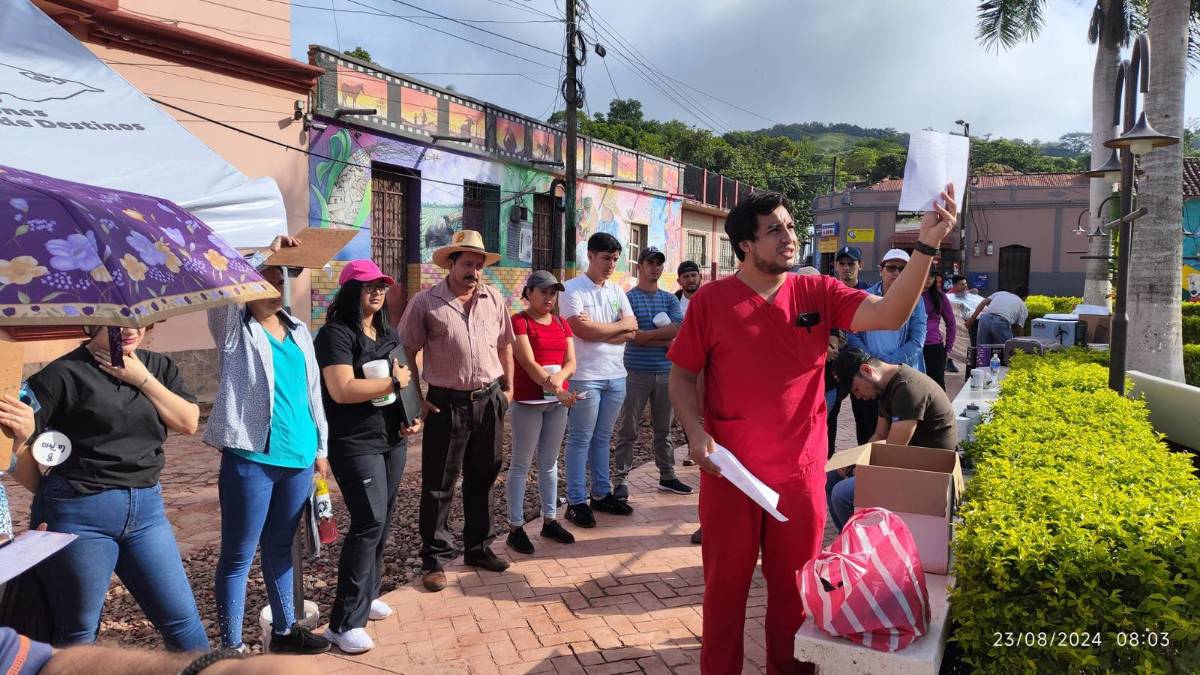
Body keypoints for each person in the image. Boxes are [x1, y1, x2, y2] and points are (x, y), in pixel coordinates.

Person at [668, 185, 955, 674]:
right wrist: (695, 434)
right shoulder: (712, 301)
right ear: (745, 245)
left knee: (795, 593)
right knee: (724, 592)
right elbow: (682, 374)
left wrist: (925, 245)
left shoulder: (815, 292)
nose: (787, 236)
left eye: (790, 226)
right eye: (773, 230)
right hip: (730, 477)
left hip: (799, 479)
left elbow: (889, 312)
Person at [13, 324, 207, 650]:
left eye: (138, 317)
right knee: (78, 635)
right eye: (116, 319)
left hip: (147, 514)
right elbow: (13, 445)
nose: (130, 327)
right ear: (92, 322)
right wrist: (48, 491)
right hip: (78, 516)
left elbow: (188, 422)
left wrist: (141, 379)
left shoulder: (158, 367)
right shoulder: (62, 374)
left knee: (183, 622)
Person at [203, 235, 332, 654]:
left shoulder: (299, 331)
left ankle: (284, 631)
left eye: (282, 278)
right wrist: (260, 254)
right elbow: (221, 296)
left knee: (280, 547)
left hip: (297, 457)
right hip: (251, 458)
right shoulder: (234, 331)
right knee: (239, 554)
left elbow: (313, 393)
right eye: (265, 278)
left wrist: (321, 450)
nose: (276, 286)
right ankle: (232, 645)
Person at [397, 230, 515, 593]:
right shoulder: (425, 303)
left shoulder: (493, 298)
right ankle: (434, 558)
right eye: (467, 264)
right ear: (451, 263)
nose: (475, 272)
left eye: (479, 266)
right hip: (446, 404)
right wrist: (416, 401)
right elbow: (404, 353)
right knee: (439, 485)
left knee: (484, 476)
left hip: (489, 398)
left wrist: (508, 389)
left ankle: (478, 548)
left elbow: (505, 344)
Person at [315, 259, 420, 654]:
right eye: (366, 286)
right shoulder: (335, 335)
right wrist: (393, 381)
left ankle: (366, 595)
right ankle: (342, 624)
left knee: (385, 517)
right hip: (354, 442)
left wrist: (409, 416)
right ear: (348, 291)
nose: (376, 291)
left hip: (391, 438)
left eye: (381, 285)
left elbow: (405, 379)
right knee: (368, 522)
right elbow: (341, 389)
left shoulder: (385, 330)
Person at [826, 349, 958, 531]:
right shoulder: (887, 387)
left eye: (855, 389)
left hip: (928, 473)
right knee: (832, 476)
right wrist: (851, 460)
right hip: (907, 462)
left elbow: (894, 450)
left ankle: (865, 549)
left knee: (843, 494)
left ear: (867, 370)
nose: (857, 396)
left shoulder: (907, 388)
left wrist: (860, 467)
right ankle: (851, 543)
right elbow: (880, 436)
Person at [559, 232, 638, 528]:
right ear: (590, 255)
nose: (611, 264)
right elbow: (582, 331)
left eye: (615, 259)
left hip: (616, 376)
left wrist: (601, 329)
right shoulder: (571, 289)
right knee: (580, 439)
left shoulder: (617, 291)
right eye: (606, 258)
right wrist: (615, 329)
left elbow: (633, 330)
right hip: (585, 377)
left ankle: (601, 494)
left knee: (604, 439)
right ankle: (576, 500)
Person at [505, 270, 578, 555]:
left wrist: (560, 382)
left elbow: (571, 361)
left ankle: (550, 519)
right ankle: (515, 526)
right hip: (529, 401)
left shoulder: (561, 324)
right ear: (529, 293)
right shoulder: (520, 322)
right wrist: (556, 387)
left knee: (550, 462)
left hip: (558, 401)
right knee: (521, 464)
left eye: (553, 292)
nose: (549, 297)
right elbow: (527, 362)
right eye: (543, 291)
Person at [613, 247, 690, 500]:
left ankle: (667, 475)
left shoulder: (669, 299)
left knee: (663, 429)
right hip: (635, 372)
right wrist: (660, 338)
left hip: (666, 372)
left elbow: (678, 329)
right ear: (640, 266)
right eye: (650, 262)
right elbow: (628, 334)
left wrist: (646, 337)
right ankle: (621, 479)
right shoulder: (629, 299)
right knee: (628, 429)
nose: (655, 267)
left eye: (659, 263)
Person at [0, 625, 322, 675]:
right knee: (81, 630)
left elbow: (40, 662)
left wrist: (214, 667)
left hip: (145, 502)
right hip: (79, 502)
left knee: (185, 625)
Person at [845, 248, 927, 444]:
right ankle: (861, 472)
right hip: (868, 377)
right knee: (867, 431)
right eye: (891, 267)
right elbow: (851, 332)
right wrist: (871, 363)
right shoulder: (864, 296)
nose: (896, 273)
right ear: (880, 270)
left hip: (900, 379)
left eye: (902, 269)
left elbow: (917, 340)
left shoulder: (916, 300)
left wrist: (885, 366)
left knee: (898, 439)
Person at [825, 245, 872, 456]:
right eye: (842, 264)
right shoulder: (828, 293)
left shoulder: (868, 294)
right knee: (829, 418)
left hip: (863, 369)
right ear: (835, 266)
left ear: (860, 265)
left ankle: (865, 465)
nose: (846, 268)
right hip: (834, 369)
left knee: (864, 418)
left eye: (851, 263)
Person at [921, 268, 957, 390]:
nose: (929, 279)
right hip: (913, 346)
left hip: (934, 346)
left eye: (932, 276)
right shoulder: (910, 295)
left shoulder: (940, 296)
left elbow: (951, 322)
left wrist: (948, 347)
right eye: (926, 275)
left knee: (937, 386)